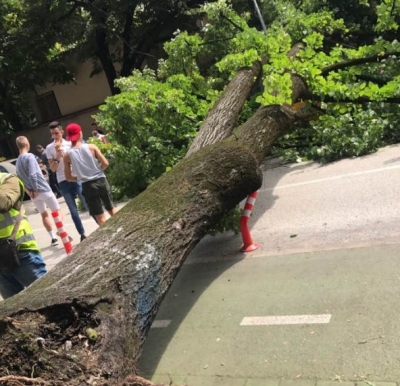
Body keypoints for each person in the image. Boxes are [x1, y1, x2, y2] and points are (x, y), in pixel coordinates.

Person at [0, 172, 47, 299]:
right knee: (15, 309)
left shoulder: (8, 179)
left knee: (48, 297)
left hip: (21, 253)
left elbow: (3, 204)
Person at [64, 123, 117, 226]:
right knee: (111, 208)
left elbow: (68, 177)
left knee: (100, 217)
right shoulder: (91, 147)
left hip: (87, 185)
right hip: (101, 180)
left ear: (69, 137)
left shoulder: (67, 155)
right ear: (80, 133)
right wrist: (97, 170)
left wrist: (80, 177)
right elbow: (105, 163)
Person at [15, 136, 62, 247]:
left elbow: (19, 178)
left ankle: (53, 238)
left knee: (44, 214)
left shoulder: (17, 162)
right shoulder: (30, 156)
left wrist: (29, 191)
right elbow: (33, 174)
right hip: (42, 188)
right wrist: (35, 188)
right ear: (26, 144)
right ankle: (61, 231)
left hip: (33, 194)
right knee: (57, 211)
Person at [46, 121, 87, 242]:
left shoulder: (69, 143)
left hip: (75, 177)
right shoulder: (49, 148)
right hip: (62, 180)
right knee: (73, 210)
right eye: (52, 134)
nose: (55, 136)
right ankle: (82, 234)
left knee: (86, 202)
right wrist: (58, 158)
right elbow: (52, 169)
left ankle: (99, 223)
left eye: (56, 133)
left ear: (62, 132)